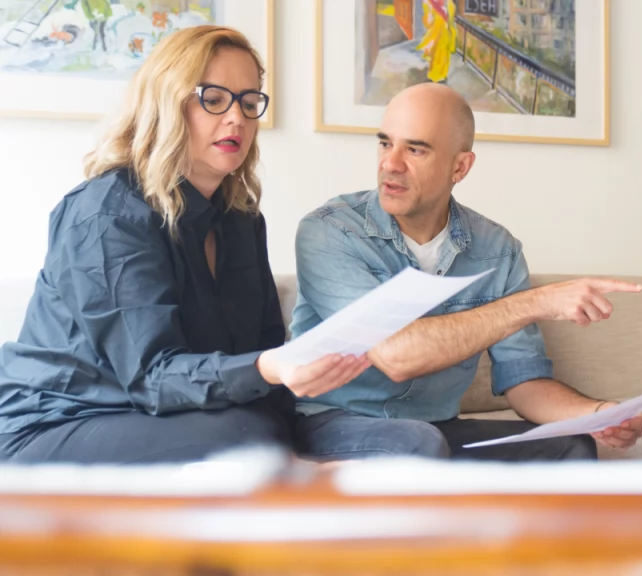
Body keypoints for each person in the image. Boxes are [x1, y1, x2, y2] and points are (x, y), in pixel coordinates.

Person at [0, 26, 371, 464]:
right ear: (167, 105)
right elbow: (152, 376)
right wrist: (268, 370)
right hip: (60, 423)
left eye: (249, 103)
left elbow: (268, 346)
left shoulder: (242, 218)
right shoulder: (107, 216)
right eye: (214, 99)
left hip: (192, 417)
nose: (236, 117)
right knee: (247, 439)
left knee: (408, 443)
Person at [290, 82, 642, 462]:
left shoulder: (496, 250)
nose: (390, 164)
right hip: (329, 422)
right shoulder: (330, 232)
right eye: (384, 143)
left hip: (433, 428)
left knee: (570, 447)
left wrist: (596, 415)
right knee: (419, 444)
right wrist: (536, 302)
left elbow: (524, 382)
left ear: (460, 166)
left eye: (415, 149)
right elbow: (398, 355)